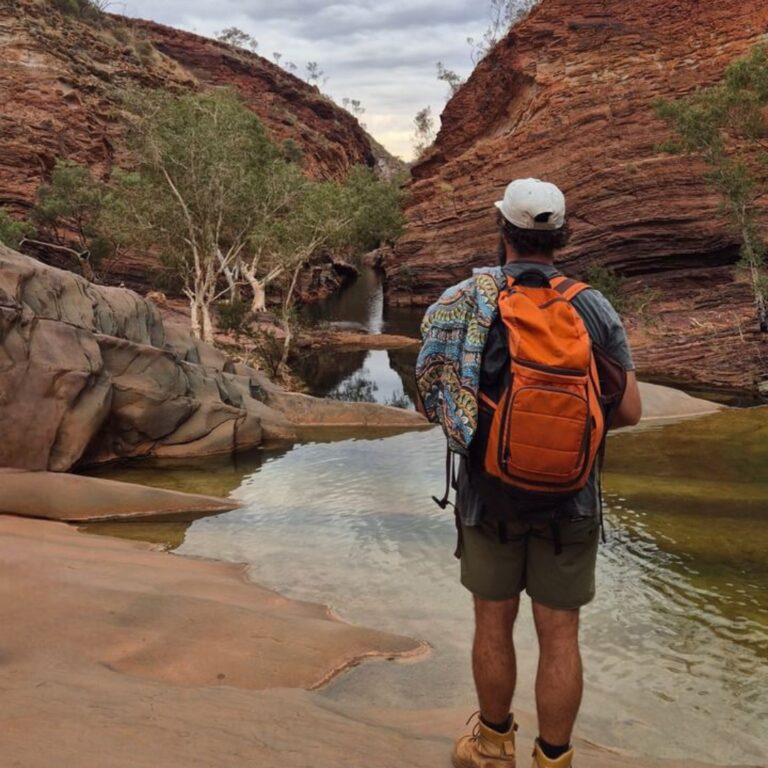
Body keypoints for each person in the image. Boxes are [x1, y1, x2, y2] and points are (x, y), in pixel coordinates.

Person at [449, 179, 642, 768]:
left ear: (501, 229)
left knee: (493, 623)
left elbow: (439, 403)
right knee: (560, 635)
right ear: (561, 237)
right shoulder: (592, 306)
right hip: (572, 502)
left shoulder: (468, 298)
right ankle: (553, 759)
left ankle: (491, 746)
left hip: (488, 499)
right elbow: (630, 412)